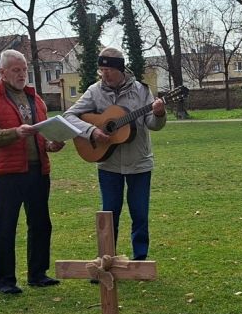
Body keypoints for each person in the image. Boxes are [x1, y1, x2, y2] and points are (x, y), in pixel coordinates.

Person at [64, 47, 166, 260]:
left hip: (139, 162)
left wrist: (159, 114)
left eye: (108, 70)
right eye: (101, 70)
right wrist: (92, 131)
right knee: (109, 214)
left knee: (140, 213)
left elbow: (152, 124)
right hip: (108, 164)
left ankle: (140, 260)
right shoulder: (94, 91)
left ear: (120, 69)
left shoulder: (141, 90)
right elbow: (69, 116)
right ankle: (107, 259)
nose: (105, 74)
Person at [0, 49, 63, 295]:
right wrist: (16, 132)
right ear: (2, 72)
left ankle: (38, 274)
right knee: (6, 227)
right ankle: (5, 281)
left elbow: (42, 136)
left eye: (24, 69)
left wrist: (52, 145)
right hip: (8, 173)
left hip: (38, 170)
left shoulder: (35, 99)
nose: (22, 74)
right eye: (16, 70)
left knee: (41, 223)